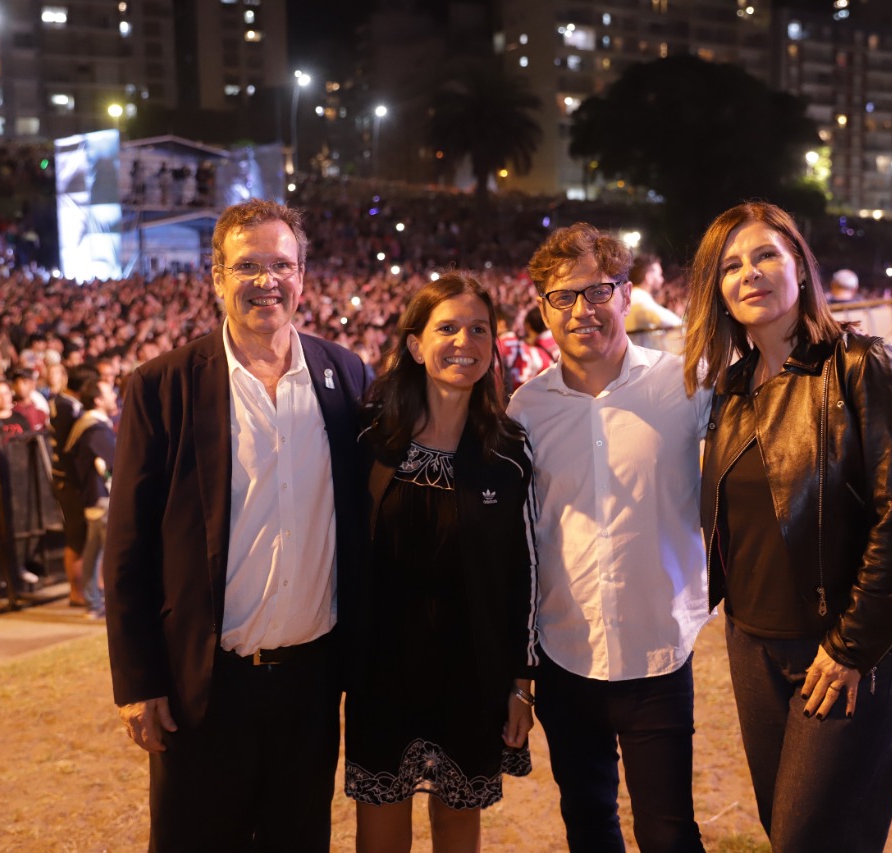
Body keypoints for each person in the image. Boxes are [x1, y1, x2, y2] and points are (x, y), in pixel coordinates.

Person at [103, 199, 369, 850]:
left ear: (304, 275)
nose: (266, 281)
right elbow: (128, 547)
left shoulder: (348, 379)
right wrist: (139, 683)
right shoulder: (160, 386)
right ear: (216, 276)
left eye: (281, 264)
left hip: (311, 686)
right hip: (204, 684)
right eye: (247, 265)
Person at [683, 202, 892, 852]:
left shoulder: (861, 366)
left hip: (841, 650)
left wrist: (852, 645)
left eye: (765, 255)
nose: (750, 274)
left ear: (799, 265)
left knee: (808, 838)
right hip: (753, 648)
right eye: (731, 265)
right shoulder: (731, 389)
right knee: (787, 829)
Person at [506, 223, 712, 853]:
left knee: (670, 831)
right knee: (589, 823)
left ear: (626, 296)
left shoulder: (686, 386)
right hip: (566, 656)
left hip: (658, 647)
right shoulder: (525, 409)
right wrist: (518, 675)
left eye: (596, 291)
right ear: (543, 309)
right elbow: (521, 544)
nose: (581, 311)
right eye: (562, 297)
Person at [345, 274, 538, 851]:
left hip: (473, 669)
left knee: (458, 827)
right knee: (380, 829)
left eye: (479, 329)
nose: (464, 341)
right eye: (447, 328)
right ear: (414, 345)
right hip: (382, 667)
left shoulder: (507, 450)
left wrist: (522, 685)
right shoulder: (370, 438)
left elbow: (523, 572)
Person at [65, 378, 118, 619]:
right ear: (97, 399)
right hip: (101, 498)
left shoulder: (87, 426)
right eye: (109, 392)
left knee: (94, 550)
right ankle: (104, 602)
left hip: (93, 498)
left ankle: (93, 601)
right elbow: (117, 462)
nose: (114, 396)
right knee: (110, 552)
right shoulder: (95, 430)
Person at [50, 363, 99, 607]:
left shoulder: (63, 403)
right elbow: (69, 450)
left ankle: (87, 588)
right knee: (76, 536)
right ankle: (75, 591)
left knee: (85, 535)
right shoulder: (66, 408)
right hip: (68, 482)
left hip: (72, 480)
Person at [625, 253, 684, 333]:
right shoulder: (639, 299)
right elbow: (674, 323)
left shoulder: (633, 296)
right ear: (649, 277)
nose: (662, 279)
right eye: (659, 275)